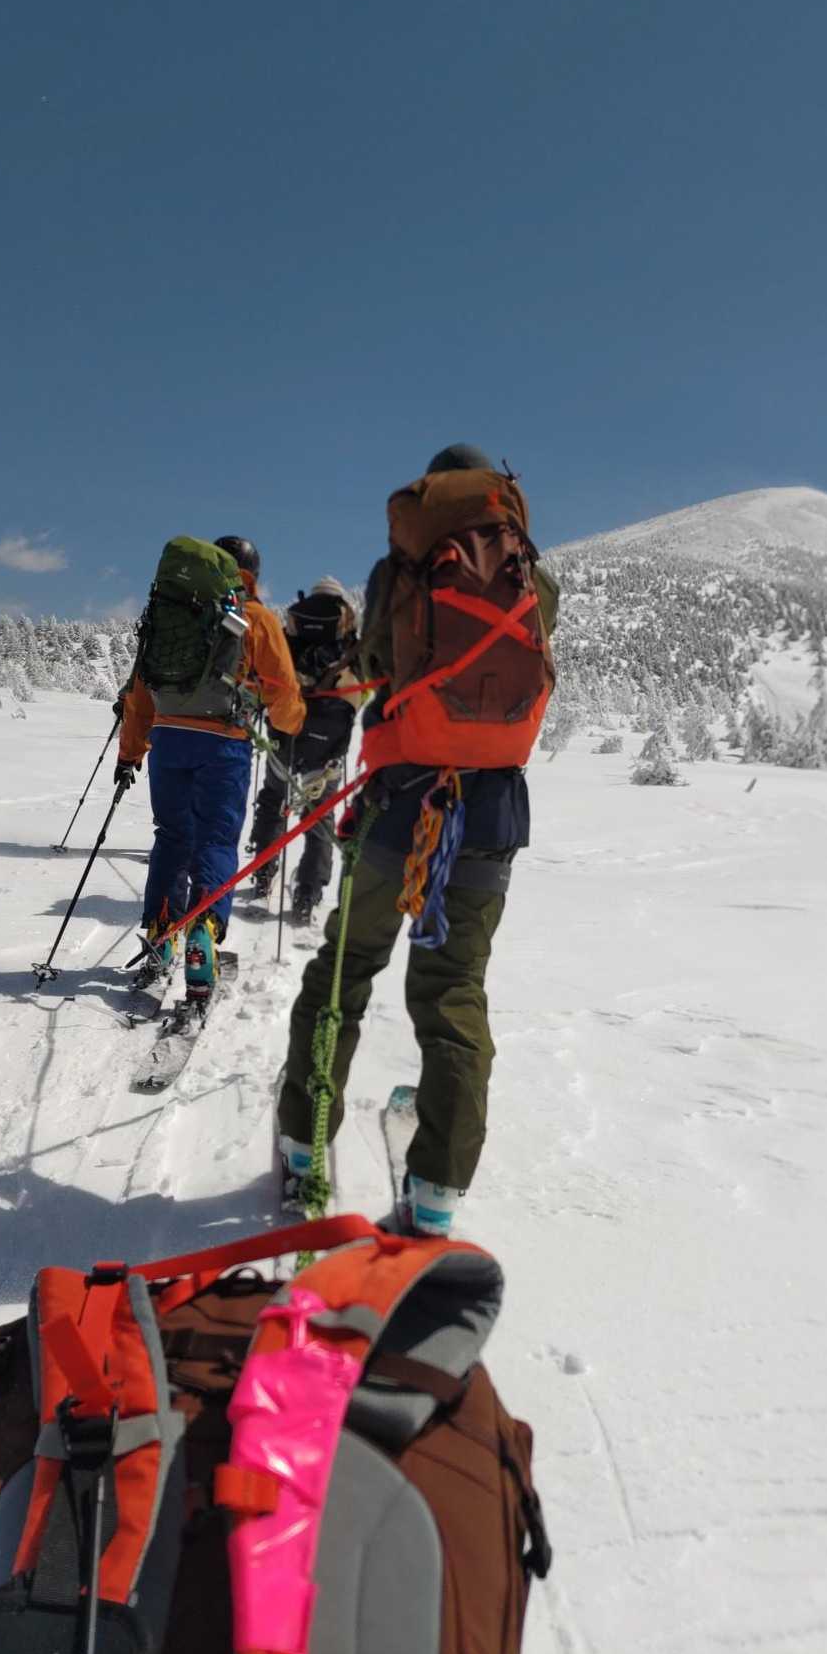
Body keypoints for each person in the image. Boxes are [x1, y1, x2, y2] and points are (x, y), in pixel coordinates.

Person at [276, 446, 558, 1233]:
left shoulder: (398, 571)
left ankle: (303, 1144)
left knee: (345, 968)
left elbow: (373, 660)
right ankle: (437, 1191)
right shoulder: (532, 579)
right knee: (454, 991)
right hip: (490, 815)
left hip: (399, 803)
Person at [117, 535, 305, 994]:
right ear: (252, 574)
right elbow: (283, 693)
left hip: (168, 739)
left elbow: (140, 692)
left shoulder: (171, 611)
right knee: (216, 840)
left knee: (171, 836)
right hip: (224, 743)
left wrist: (130, 753)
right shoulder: (254, 617)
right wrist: (290, 724)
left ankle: (161, 932)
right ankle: (203, 936)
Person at [246, 577, 365, 924]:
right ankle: (308, 892)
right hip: (329, 737)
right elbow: (361, 683)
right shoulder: (348, 628)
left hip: (286, 727)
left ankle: (264, 870)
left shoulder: (293, 623)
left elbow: (272, 669)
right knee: (320, 812)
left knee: (273, 797)